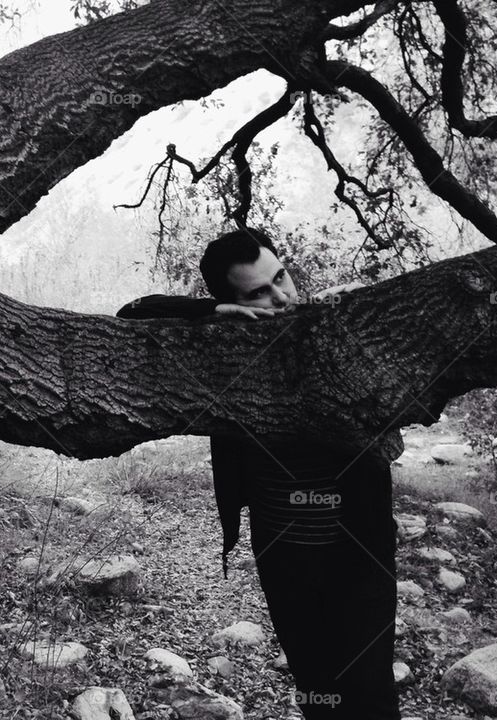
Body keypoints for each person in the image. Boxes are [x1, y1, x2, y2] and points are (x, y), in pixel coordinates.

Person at [116, 227, 402, 720]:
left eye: (281, 278)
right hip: (284, 551)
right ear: (234, 304)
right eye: (258, 293)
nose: (282, 297)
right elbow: (132, 314)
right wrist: (208, 314)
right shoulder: (221, 353)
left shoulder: (331, 329)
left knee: (370, 689)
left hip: (360, 547)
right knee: (315, 682)